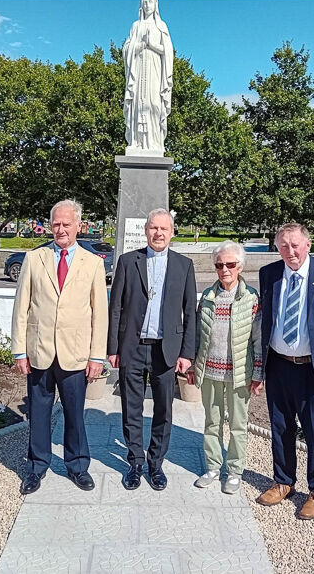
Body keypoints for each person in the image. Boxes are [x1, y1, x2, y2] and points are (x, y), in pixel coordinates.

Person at [11, 199, 108, 495]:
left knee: (74, 414)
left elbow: (99, 313)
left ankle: (77, 466)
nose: (61, 229)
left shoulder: (92, 263)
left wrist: (96, 356)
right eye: (56, 224)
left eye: (67, 224)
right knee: (38, 413)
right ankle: (36, 466)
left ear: (79, 226)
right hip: (39, 351)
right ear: (50, 225)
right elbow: (21, 308)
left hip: (75, 354)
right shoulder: (34, 259)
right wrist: (19, 350)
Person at [257, 223, 314, 519]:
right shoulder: (269, 274)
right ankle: (284, 482)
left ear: (308, 245)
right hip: (279, 366)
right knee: (281, 427)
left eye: (295, 245)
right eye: (284, 246)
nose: (291, 251)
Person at [108, 208, 196, 491]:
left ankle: (156, 463)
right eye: (153, 228)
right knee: (131, 408)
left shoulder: (184, 266)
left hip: (165, 350)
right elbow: (116, 308)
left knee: (163, 410)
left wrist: (186, 353)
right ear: (146, 230)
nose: (158, 233)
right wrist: (113, 347)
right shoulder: (127, 261)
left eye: (164, 229)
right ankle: (135, 462)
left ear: (172, 232)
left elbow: (189, 313)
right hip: (132, 347)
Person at [187, 241, 263, 494]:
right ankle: (212, 466)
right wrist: (192, 366)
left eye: (230, 264)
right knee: (212, 422)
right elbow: (198, 335)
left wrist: (259, 372)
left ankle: (234, 471)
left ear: (240, 266)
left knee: (239, 425)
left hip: (240, 372)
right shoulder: (207, 298)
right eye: (219, 265)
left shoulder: (251, 299)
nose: (225, 269)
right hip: (210, 371)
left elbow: (258, 339)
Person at [123, 0, 173, 154]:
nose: (147, 5)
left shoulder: (161, 26)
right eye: (144, 2)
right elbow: (127, 49)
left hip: (155, 71)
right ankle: (136, 142)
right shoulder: (136, 26)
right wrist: (141, 44)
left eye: (150, 1)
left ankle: (154, 143)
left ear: (155, 4)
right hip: (138, 72)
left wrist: (152, 44)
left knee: (153, 105)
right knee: (138, 105)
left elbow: (168, 52)